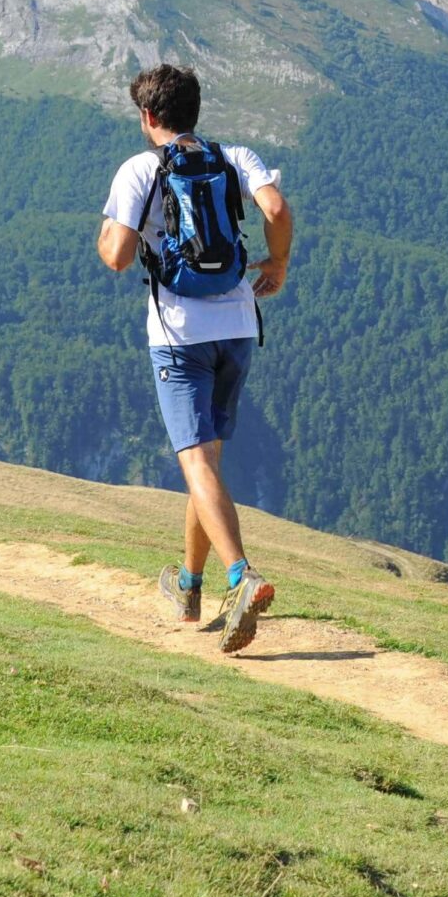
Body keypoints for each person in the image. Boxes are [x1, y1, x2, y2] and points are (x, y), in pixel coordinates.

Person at [97, 63, 294, 654]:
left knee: (195, 463)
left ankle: (241, 575)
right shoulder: (234, 156)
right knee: (205, 460)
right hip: (237, 326)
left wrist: (110, 230)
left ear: (148, 117)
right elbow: (277, 212)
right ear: (195, 109)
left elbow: (119, 257)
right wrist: (277, 263)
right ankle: (189, 586)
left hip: (178, 334)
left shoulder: (140, 169)